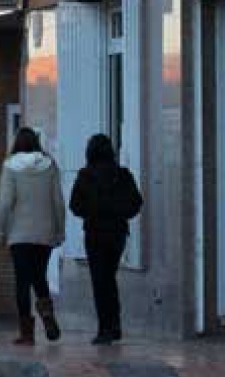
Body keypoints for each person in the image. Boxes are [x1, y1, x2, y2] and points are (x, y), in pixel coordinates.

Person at [0, 128, 65, 345]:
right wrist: (60, 230)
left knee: (22, 281)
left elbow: (5, 203)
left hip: (19, 234)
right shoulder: (50, 166)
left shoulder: (10, 167)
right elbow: (58, 202)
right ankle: (48, 314)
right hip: (45, 233)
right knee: (39, 276)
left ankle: (27, 333)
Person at [69, 134, 142, 345]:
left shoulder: (85, 176)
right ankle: (114, 325)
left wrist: (93, 212)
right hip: (117, 233)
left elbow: (75, 205)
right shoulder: (123, 175)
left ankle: (105, 328)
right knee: (109, 278)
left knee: (100, 281)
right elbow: (136, 202)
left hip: (95, 233)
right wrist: (118, 213)